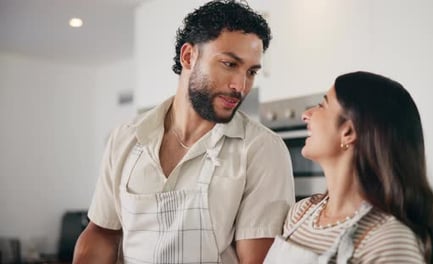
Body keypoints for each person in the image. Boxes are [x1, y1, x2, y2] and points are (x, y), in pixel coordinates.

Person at [73, 1, 295, 263]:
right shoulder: (126, 138)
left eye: (251, 71)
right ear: (189, 56)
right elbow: (101, 232)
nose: (241, 85)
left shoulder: (262, 149)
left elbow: (257, 261)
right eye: (229, 64)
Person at [264, 71, 433, 264]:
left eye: (322, 105)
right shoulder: (300, 214)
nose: (305, 115)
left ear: (348, 132)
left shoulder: (388, 241)